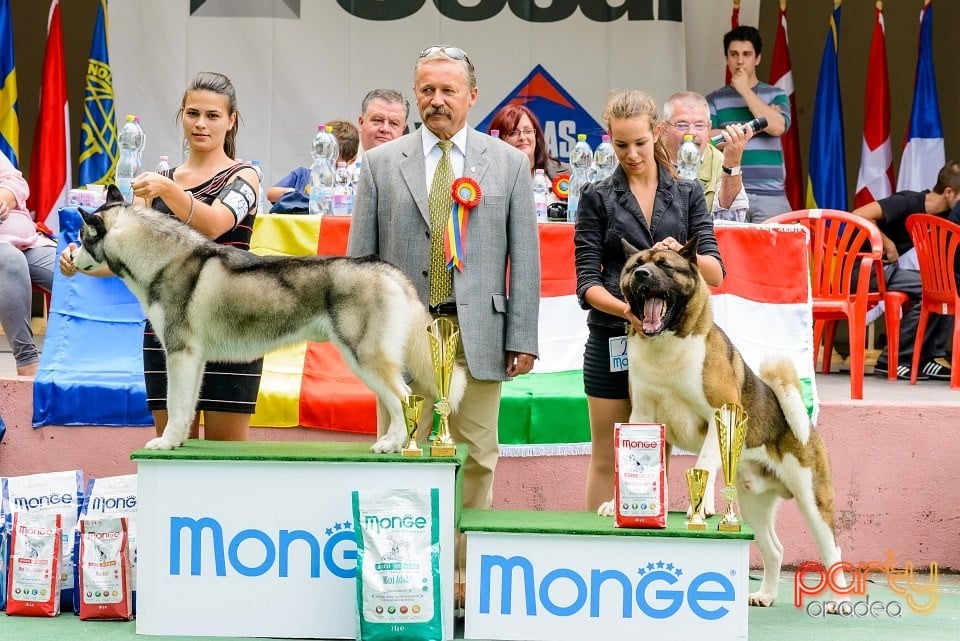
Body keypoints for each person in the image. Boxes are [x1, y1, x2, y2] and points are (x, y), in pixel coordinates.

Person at [348, 45, 540, 517]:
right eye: (427, 89)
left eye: (448, 90)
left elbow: (527, 261)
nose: (437, 99)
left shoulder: (509, 164)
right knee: (401, 448)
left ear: (472, 96)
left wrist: (522, 338)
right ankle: (405, 569)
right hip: (400, 337)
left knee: (477, 455)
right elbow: (359, 265)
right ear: (415, 94)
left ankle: (462, 566)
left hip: (479, 335)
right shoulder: (379, 165)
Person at [60, 71, 263, 439]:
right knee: (170, 452)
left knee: (226, 458)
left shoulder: (244, 175)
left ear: (231, 121)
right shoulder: (157, 182)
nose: (201, 124)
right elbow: (123, 258)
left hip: (231, 326)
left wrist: (168, 190)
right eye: (192, 113)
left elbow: (216, 224)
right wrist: (82, 262)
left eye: (213, 115)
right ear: (181, 115)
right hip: (164, 330)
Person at [574, 89, 724, 512]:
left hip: (672, 350)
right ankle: (599, 561)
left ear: (656, 132)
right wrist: (627, 312)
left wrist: (683, 257)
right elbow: (586, 283)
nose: (632, 154)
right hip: (611, 340)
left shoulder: (687, 193)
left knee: (654, 455)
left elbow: (715, 270)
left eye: (639, 142)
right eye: (621, 145)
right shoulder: (597, 198)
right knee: (608, 457)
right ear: (609, 140)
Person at [851, 161, 959, 381]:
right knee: (934, 286)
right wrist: (887, 244)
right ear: (948, 192)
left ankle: (927, 358)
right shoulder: (908, 201)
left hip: (885, 271)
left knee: (948, 285)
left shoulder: (946, 216)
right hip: (861, 269)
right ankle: (893, 359)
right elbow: (859, 214)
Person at [706, 25, 791, 223]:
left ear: (758, 58)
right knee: (731, 254)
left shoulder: (776, 94)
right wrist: (758, 124)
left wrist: (744, 90)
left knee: (775, 254)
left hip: (771, 195)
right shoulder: (713, 99)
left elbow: (778, 126)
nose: (740, 61)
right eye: (734, 54)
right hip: (730, 192)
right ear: (727, 58)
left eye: (747, 54)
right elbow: (708, 139)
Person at [0, 152, 56, 377]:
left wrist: (3, 198)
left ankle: (84, 358)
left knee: (72, 270)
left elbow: (16, 182)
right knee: (10, 260)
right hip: (5, 251)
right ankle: (27, 362)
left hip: (28, 241)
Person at [662, 91, 752, 221]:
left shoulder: (721, 162)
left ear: (709, 128)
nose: (691, 132)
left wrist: (732, 163)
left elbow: (732, 221)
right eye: (682, 125)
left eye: (699, 125)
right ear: (665, 129)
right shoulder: (649, 157)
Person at [266, 119, 359, 203]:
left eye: (335, 164)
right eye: (326, 160)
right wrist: (297, 193)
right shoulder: (302, 176)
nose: (327, 167)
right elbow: (271, 194)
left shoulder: (346, 186)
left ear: (352, 160)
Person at [488, 103, 566, 181]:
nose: (522, 137)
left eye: (528, 131)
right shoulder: (487, 176)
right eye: (513, 133)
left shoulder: (567, 172)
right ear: (499, 140)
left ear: (536, 135)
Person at [356, 88, 409, 154]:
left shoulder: (413, 163)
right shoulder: (341, 158)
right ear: (361, 123)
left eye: (394, 123)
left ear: (403, 130)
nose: (385, 129)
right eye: (378, 120)